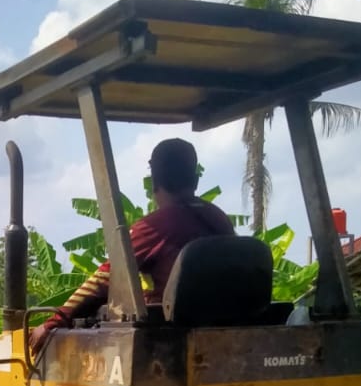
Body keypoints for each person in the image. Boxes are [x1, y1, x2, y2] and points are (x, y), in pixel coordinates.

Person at [29, 138, 234, 355]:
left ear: (155, 182)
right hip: (224, 333)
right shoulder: (219, 219)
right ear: (194, 180)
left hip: (168, 342)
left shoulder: (156, 225)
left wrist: (54, 321)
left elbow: (109, 275)